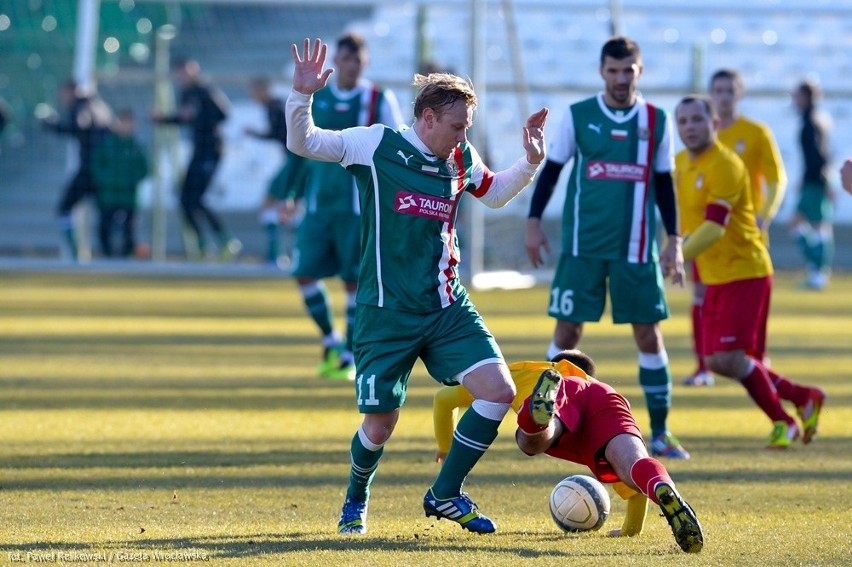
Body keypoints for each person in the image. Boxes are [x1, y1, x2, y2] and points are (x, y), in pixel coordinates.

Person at [286, 37, 548, 535]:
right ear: (427, 118)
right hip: (386, 311)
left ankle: (445, 494)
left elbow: (493, 195)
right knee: (380, 425)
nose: (461, 136)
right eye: (455, 126)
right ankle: (355, 500)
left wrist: (530, 162)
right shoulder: (376, 145)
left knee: (498, 392)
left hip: (447, 305)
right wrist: (301, 97)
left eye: (465, 128)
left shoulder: (459, 156)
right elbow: (306, 142)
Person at [524, 36, 689, 459]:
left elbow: (666, 183)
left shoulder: (656, 120)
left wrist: (675, 241)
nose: (620, 78)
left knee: (649, 335)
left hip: (636, 249)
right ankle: (541, 423)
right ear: (602, 71)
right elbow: (552, 171)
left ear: (640, 71)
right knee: (567, 333)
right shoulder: (579, 116)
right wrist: (533, 222)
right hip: (582, 248)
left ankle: (662, 432)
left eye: (627, 70)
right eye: (613, 71)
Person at [673, 94, 825, 450]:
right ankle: (804, 396)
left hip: (746, 271)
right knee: (716, 360)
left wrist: (677, 256)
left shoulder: (726, 164)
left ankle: (784, 422)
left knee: (730, 358)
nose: (690, 127)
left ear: (714, 124)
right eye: (682, 121)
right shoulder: (681, 163)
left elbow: (714, 227)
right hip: (714, 276)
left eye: (697, 119)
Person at [287, 33, 405, 381]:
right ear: (335, 61)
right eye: (345, 58)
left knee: (353, 281)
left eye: (357, 59)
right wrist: (288, 192)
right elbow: (297, 144)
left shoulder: (377, 98)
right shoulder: (318, 93)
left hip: (357, 205)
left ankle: (351, 354)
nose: (350, 65)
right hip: (318, 203)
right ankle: (331, 340)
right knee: (304, 272)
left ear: (364, 62)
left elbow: (394, 145)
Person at [514, 351, 704, 553]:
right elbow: (634, 492)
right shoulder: (600, 388)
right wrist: (630, 530)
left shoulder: (539, 375)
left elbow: (487, 385)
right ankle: (661, 484)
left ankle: (539, 419)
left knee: (531, 442)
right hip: (607, 400)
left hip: (563, 388)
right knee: (633, 463)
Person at [684, 69, 787, 387]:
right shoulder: (703, 134)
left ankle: (758, 359)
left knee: (754, 296)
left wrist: (765, 213)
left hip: (743, 235)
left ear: (739, 94)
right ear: (710, 95)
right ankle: (703, 366)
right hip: (705, 236)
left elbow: (776, 178)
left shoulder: (756, 133)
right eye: (718, 90)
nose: (724, 96)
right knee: (701, 296)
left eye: (730, 90)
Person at [151, 57, 240, 261]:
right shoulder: (186, 94)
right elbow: (184, 118)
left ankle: (225, 240)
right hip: (198, 151)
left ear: (194, 71)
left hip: (211, 150)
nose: (181, 76)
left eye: (185, 72)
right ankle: (202, 245)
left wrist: (197, 117)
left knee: (196, 198)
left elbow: (223, 114)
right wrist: (162, 119)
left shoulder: (205, 91)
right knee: (185, 199)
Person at [42, 79, 112, 261]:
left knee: (65, 207)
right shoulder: (98, 104)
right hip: (104, 169)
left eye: (63, 93)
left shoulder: (82, 106)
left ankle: (77, 254)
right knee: (106, 211)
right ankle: (109, 254)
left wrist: (53, 125)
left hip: (91, 169)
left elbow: (78, 126)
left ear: (71, 92)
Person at [244, 76, 306, 267]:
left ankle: (278, 256)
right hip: (296, 159)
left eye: (255, 91)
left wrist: (255, 134)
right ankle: (291, 255)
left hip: (296, 160)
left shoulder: (275, 107)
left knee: (273, 203)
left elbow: (280, 134)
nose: (253, 96)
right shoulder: (276, 106)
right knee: (286, 206)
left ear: (264, 89)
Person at [790, 80, 833, 290]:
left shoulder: (812, 122)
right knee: (802, 225)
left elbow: (819, 156)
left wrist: (823, 181)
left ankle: (818, 273)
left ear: (806, 97)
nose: (794, 100)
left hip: (816, 182)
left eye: (797, 96)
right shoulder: (813, 120)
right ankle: (816, 269)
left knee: (817, 227)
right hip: (811, 180)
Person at [90, 108, 148, 258]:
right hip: (109, 195)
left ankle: (125, 257)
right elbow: (96, 166)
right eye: (123, 123)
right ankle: (107, 256)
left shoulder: (136, 147)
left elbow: (144, 169)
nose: (126, 126)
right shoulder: (107, 144)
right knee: (105, 227)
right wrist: (107, 181)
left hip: (128, 196)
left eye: (129, 123)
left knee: (129, 229)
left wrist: (129, 181)